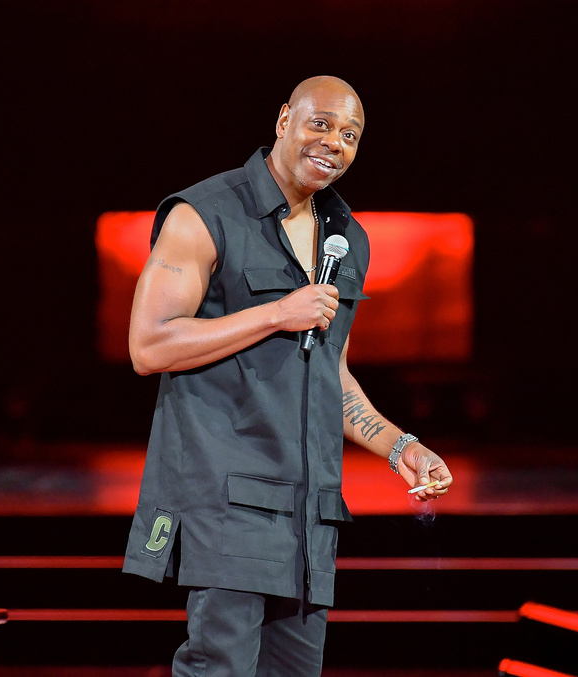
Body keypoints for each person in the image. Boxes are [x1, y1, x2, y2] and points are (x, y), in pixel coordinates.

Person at [122, 75, 453, 676]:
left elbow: (332, 372)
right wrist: (276, 312)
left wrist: (398, 444)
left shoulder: (345, 237)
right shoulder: (205, 213)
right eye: (320, 124)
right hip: (228, 500)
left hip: (309, 513)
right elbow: (149, 345)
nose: (334, 143)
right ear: (283, 121)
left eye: (350, 134)